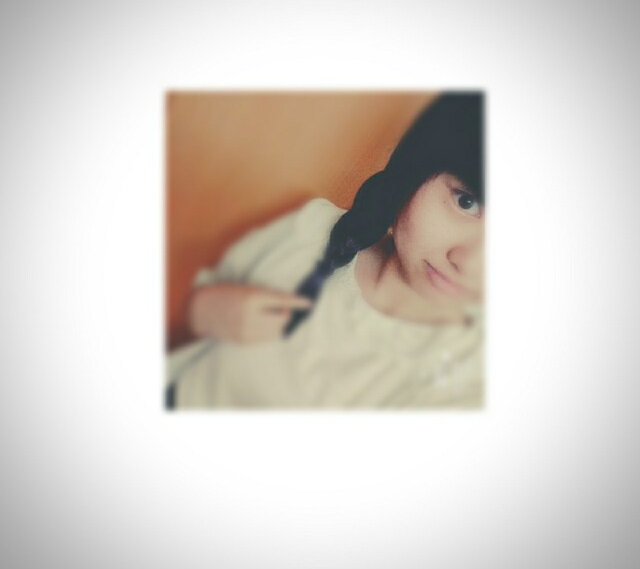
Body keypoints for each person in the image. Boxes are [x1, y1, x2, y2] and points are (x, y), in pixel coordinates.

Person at [166, 92, 485, 409]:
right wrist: (211, 310)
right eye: (466, 202)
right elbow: (199, 303)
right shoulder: (312, 230)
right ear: (418, 165)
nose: (469, 262)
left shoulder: (473, 378)